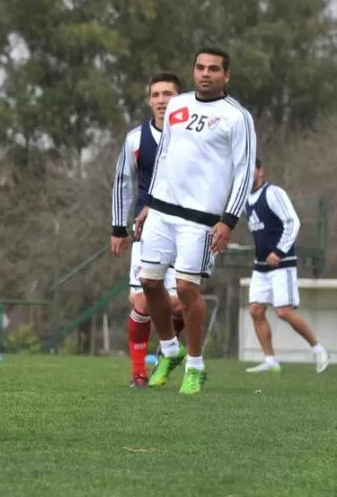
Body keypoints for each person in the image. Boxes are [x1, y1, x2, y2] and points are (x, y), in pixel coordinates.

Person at [137, 47, 256, 394]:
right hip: (161, 209)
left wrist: (228, 220)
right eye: (200, 68)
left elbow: (244, 170)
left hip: (200, 219)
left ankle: (195, 365)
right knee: (150, 283)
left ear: (226, 76)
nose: (206, 74)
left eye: (214, 69)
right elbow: (164, 155)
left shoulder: (238, 117)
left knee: (187, 289)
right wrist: (147, 203)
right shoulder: (177, 105)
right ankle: (170, 351)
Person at [110, 72, 185, 388]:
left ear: (179, 99)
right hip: (146, 231)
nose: (161, 100)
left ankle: (167, 349)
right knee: (141, 302)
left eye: (168, 94)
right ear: (149, 99)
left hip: (185, 229)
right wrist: (118, 227)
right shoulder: (135, 139)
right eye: (156, 94)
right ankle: (139, 373)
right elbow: (123, 182)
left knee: (180, 303)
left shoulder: (192, 137)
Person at [244, 158, 329, 373]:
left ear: (260, 171)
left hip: (282, 263)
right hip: (260, 264)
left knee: (283, 311)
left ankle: (318, 349)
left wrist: (279, 251)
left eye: (251, 168)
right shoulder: (244, 198)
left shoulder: (273, 193)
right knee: (255, 309)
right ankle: (271, 360)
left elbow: (292, 221)